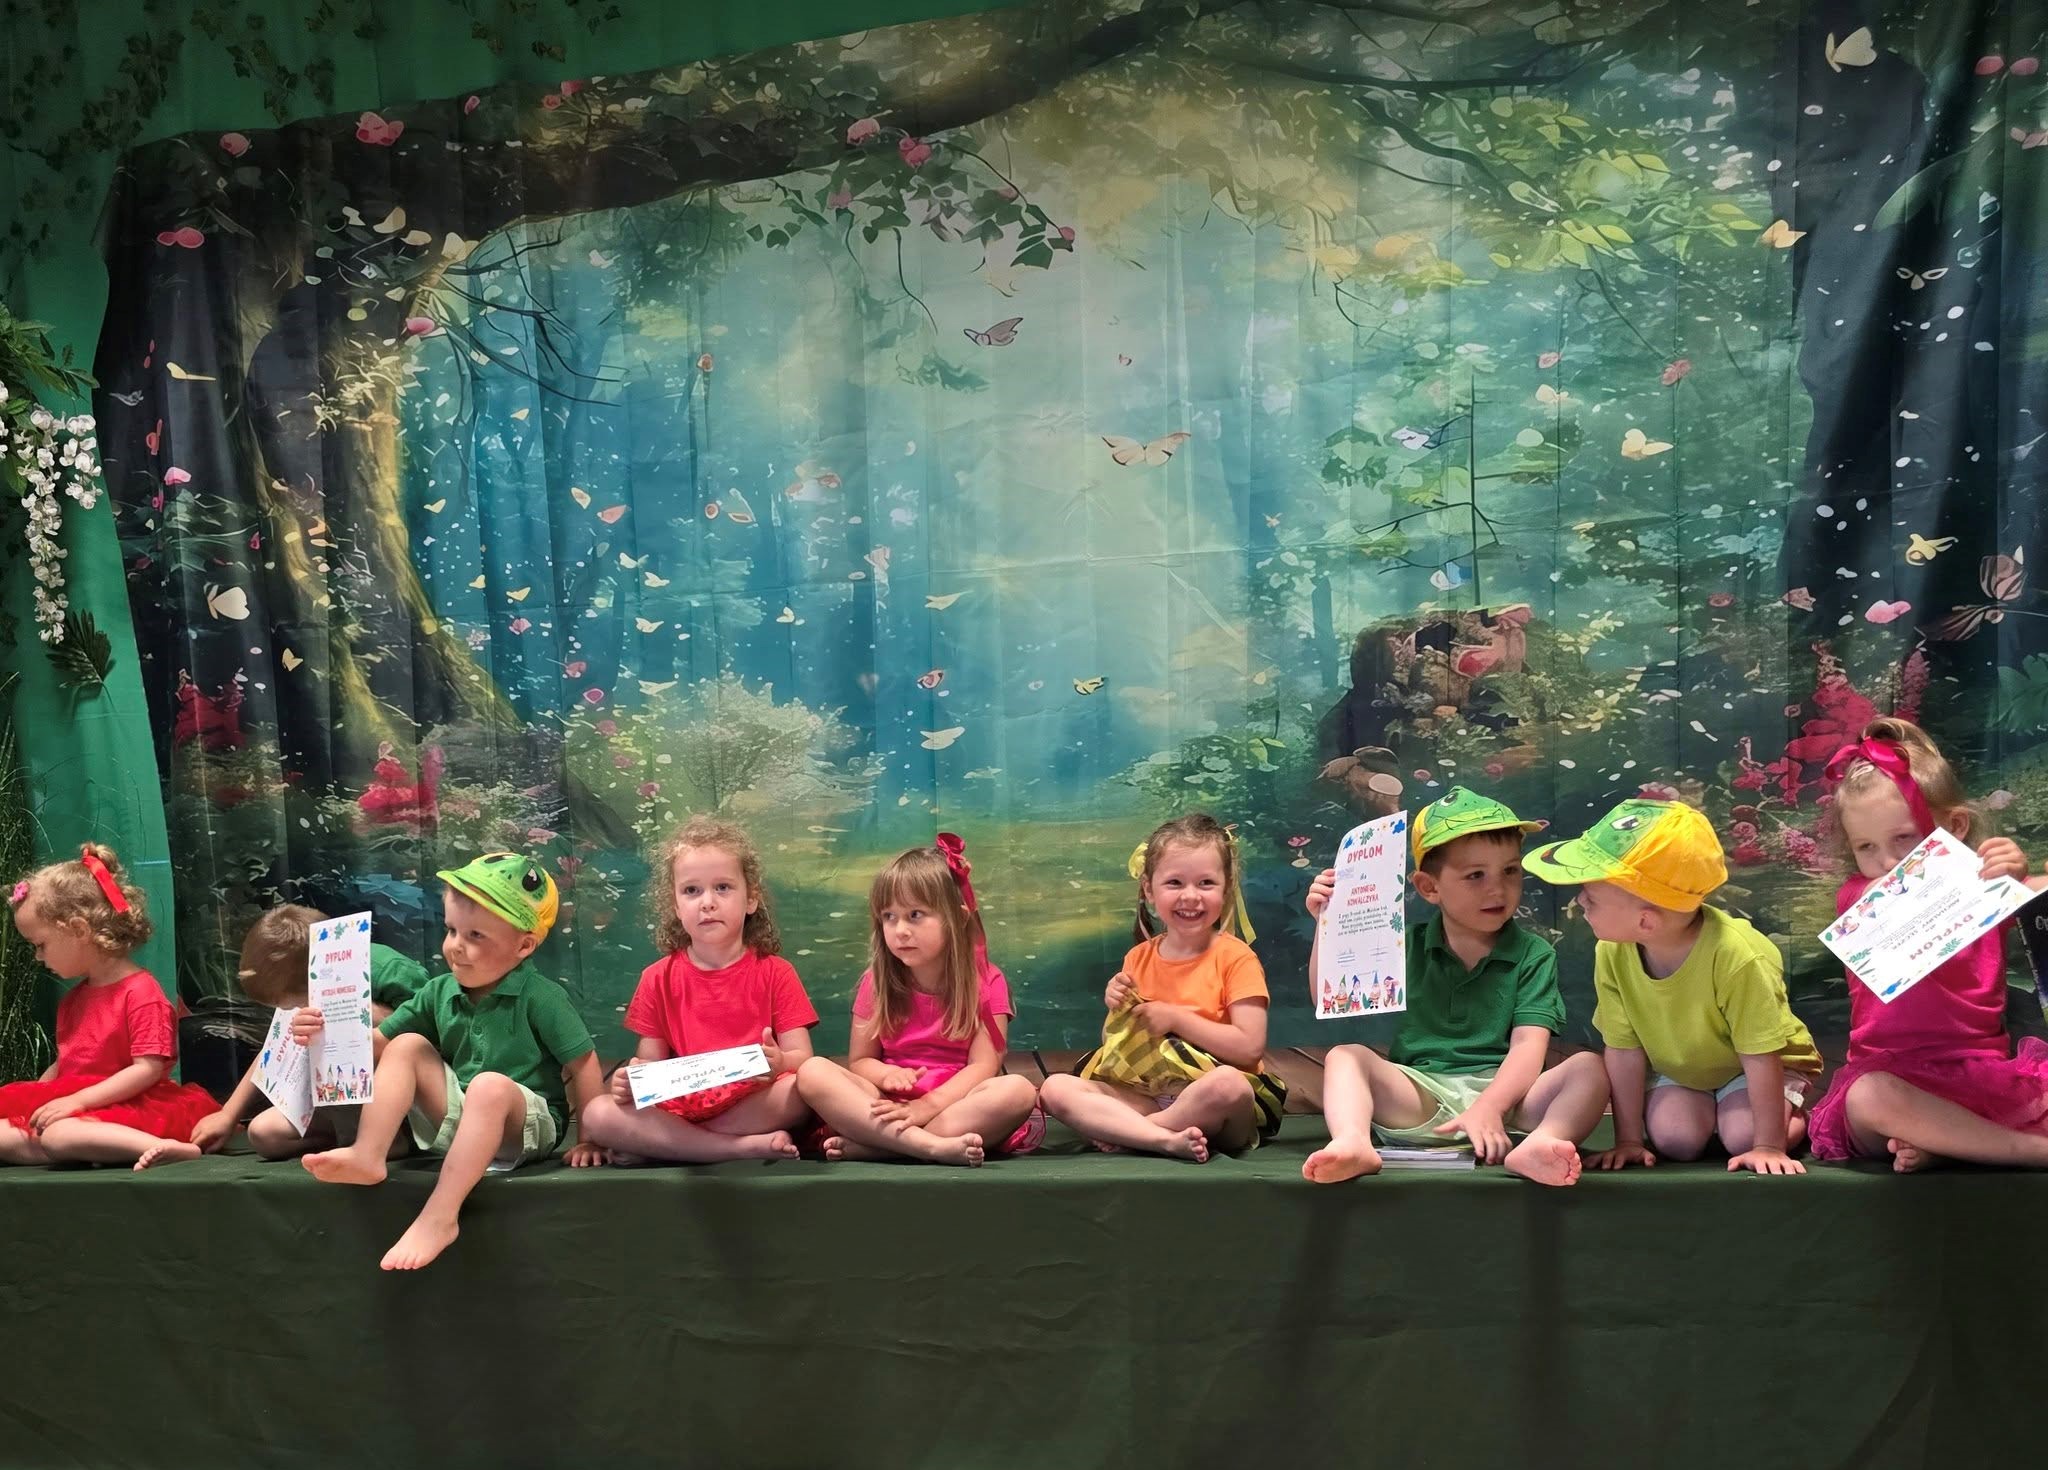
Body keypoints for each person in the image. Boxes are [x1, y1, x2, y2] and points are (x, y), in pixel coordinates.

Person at [299, 853, 602, 1270]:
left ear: (524, 945)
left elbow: (584, 1063)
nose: (455, 946)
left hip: (525, 1127)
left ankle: (441, 1215)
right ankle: (368, 1154)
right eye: (452, 930)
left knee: (489, 1086)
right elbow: (377, 1045)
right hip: (463, 1114)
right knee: (406, 1044)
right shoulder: (439, 990)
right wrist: (321, 1033)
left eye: (476, 935)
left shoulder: (542, 996)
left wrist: (591, 1138)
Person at [1301, 788, 1610, 1186]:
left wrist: (1491, 1107)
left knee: (1588, 1067)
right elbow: (1329, 999)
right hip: (1422, 1095)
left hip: (1510, 1102)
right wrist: (1326, 927)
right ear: (1429, 887)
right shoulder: (1402, 945)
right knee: (1346, 1056)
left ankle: (1541, 1144)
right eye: (1475, 875)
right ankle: (1352, 1142)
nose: (1497, 889)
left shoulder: (1534, 954)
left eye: (1510, 871)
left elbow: (1528, 1047)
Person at [1526, 799, 1821, 1174]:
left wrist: (1769, 1146)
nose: (1580, 899)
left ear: (1646, 922)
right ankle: (1718, 1114)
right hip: (1684, 1067)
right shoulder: (1612, 951)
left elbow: (1760, 1054)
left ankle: (1792, 1116)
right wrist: (1629, 1141)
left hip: (1757, 1066)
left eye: (1592, 896)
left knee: (1744, 1137)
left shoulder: (1739, 957)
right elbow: (1623, 1049)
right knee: (1675, 1140)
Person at [1808, 718, 2048, 1170]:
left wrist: (2014, 876)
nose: (1886, 861)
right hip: (1892, 1079)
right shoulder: (1858, 896)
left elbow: (2038, 901)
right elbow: (1884, 897)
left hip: (1980, 1077)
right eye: (1866, 847)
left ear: (1954, 825)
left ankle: (1946, 1144)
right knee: (1869, 1096)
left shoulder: (1984, 885)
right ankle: (2025, 1151)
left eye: (1903, 838)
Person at [1038, 813, 1285, 1160]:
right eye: (1174, 883)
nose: (1190, 896)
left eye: (1206, 883)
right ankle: (1163, 1138)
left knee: (1229, 1085)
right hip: (1146, 1095)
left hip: (1213, 1106)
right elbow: (1113, 1044)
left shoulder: (1237, 958)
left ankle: (1137, 1133)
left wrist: (1176, 1019)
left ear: (1227, 887)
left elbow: (1249, 1049)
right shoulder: (1137, 958)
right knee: (1055, 1088)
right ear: (1148, 890)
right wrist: (1117, 1007)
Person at [579, 817, 818, 1163]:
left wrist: (780, 1061)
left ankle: (675, 1147)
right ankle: (734, 1149)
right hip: (683, 1109)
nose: (707, 902)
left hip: (756, 1102)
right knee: (597, 1114)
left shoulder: (776, 972)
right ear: (676, 906)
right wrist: (630, 1081)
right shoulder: (656, 978)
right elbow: (649, 1065)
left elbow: (803, 1059)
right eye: (692, 890)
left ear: (751, 899)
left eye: (722, 887)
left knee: (803, 1089)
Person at [797, 835, 1041, 1166]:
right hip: (888, 1104)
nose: (900, 930)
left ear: (958, 918)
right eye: (889, 916)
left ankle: (883, 1148)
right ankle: (929, 1147)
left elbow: (984, 1067)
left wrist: (927, 1106)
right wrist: (885, 1075)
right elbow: (861, 1061)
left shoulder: (988, 981)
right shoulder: (876, 982)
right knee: (813, 1071)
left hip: (953, 1102)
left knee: (1017, 1091)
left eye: (915, 915)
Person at [0, 845, 215, 1169]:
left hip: (133, 1106)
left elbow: (147, 1069)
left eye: (40, 944)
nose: (38, 957)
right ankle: (85, 1150)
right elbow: (66, 1063)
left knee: (59, 1135)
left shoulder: (141, 992)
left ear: (78, 930)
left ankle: (163, 1147)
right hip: (83, 1110)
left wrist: (77, 1101)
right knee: (16, 1132)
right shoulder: (74, 999)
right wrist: (37, 1101)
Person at [189, 903, 428, 1157]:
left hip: (397, 1093)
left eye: (296, 1004)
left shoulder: (387, 969)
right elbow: (273, 1052)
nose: (295, 1009)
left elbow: (431, 1023)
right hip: (332, 1100)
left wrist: (354, 1013)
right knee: (264, 1134)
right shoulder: (296, 980)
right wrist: (228, 1114)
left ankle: (385, 1140)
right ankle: (344, 1140)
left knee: (339, 1042)